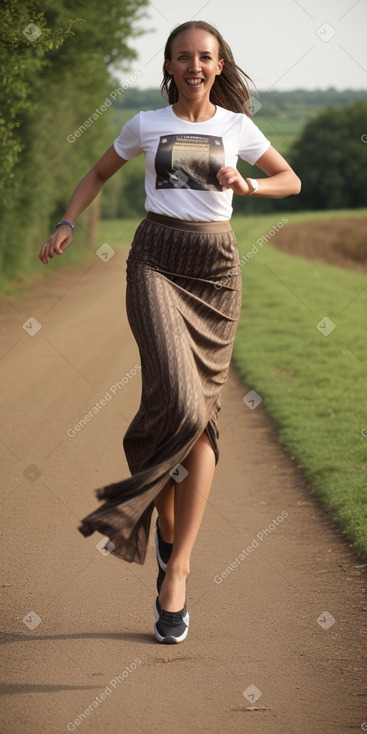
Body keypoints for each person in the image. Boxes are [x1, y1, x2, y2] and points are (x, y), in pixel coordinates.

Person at [39, 20, 301, 644]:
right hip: (155, 261)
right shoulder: (144, 125)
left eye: (205, 57)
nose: (194, 66)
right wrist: (68, 222)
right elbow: (97, 173)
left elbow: (289, 178)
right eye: (183, 57)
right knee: (180, 407)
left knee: (190, 418)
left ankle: (176, 565)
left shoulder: (236, 128)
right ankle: (166, 543)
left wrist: (250, 183)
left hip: (216, 274)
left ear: (218, 66)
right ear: (169, 65)